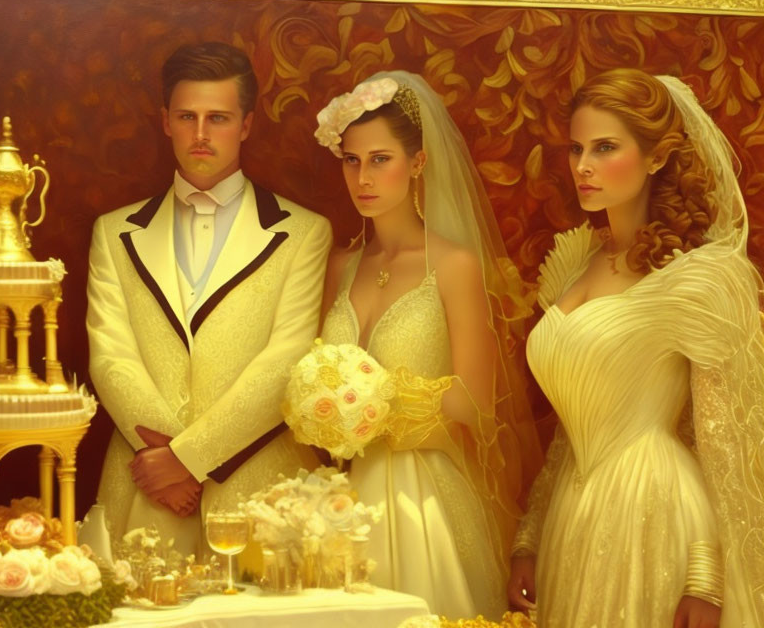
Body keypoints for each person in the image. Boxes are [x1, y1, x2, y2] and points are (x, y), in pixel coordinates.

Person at [507, 68, 764, 627]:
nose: (582, 166)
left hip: (655, 515)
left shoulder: (701, 278)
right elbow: (567, 427)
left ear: (655, 158)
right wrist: (530, 536)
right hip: (574, 517)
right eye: (576, 148)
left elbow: (725, 445)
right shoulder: (578, 262)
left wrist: (709, 576)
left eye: (605, 148)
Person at [87, 42, 332, 556]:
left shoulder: (305, 233)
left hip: (262, 491)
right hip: (146, 488)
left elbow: (287, 360)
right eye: (187, 117)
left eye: (217, 118)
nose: (200, 134)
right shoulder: (112, 233)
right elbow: (111, 358)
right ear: (165, 121)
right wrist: (165, 466)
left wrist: (188, 458)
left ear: (245, 124)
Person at [314, 71, 543, 620]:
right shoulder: (340, 267)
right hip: (337, 499)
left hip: (422, 499)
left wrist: (369, 404)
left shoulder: (455, 264)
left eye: (380, 159)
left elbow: (475, 404)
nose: (363, 177)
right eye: (351, 160)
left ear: (417, 163)